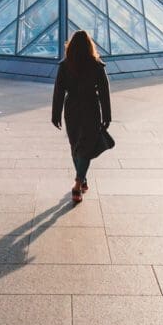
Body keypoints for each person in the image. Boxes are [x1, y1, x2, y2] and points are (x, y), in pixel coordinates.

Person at [51, 30, 111, 203]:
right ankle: (80, 181)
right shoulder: (96, 65)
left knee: (76, 145)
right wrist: (107, 115)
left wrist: (56, 114)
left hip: (72, 109)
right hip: (91, 108)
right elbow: (104, 92)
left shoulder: (65, 65)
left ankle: (79, 182)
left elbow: (59, 91)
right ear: (89, 45)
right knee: (85, 146)